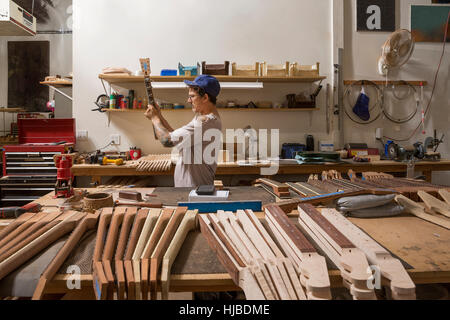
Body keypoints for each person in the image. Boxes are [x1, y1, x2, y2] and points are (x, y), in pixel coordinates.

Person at [145, 75, 222, 187]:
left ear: (205, 98)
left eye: (192, 96)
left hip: (195, 190)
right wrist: (159, 116)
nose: (188, 100)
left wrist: (154, 118)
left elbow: (167, 140)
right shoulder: (205, 118)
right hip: (192, 188)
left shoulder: (204, 121)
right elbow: (174, 135)